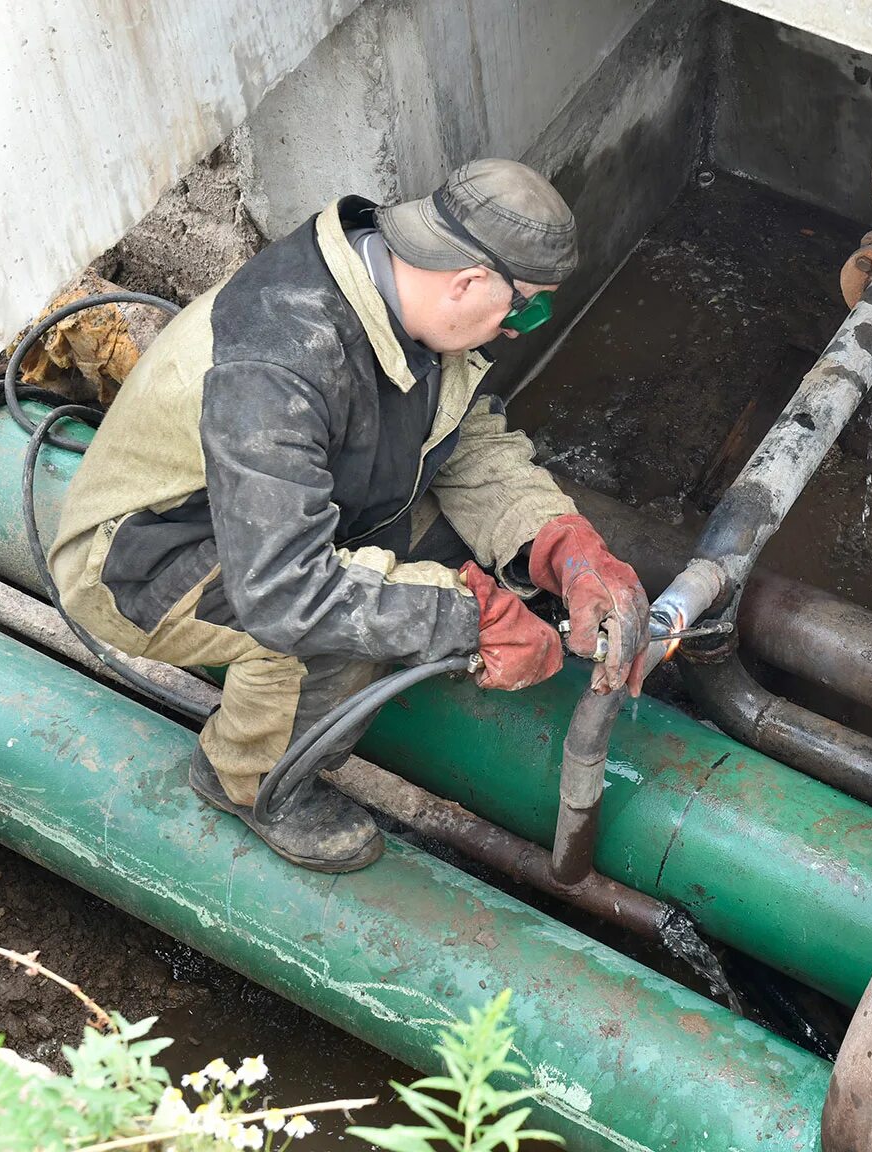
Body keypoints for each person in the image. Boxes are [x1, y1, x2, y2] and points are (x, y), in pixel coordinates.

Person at [47, 159, 649, 873]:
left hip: (282, 517)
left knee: (469, 572)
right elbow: (283, 591)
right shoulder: (281, 364)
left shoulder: (401, 295)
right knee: (330, 636)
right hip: (148, 555)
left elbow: (462, 437)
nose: (520, 330)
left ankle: (376, 675)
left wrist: (558, 543)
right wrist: (466, 618)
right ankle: (246, 781)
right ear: (467, 281)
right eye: (527, 309)